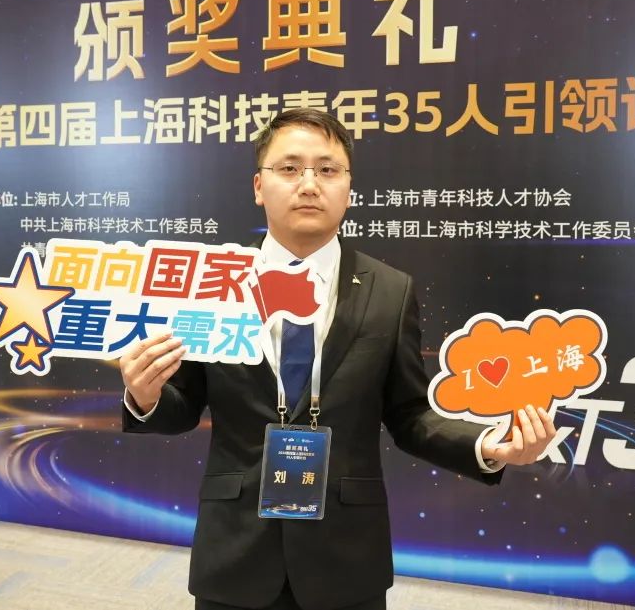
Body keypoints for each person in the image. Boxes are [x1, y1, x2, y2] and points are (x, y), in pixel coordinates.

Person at [121, 108, 556, 610]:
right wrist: (146, 397)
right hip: (235, 549)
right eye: (289, 168)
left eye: (327, 170)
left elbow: (409, 415)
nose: (309, 184)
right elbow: (183, 407)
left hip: (346, 555)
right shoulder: (212, 282)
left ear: (349, 188)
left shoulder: (390, 291)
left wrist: (485, 445)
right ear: (259, 186)